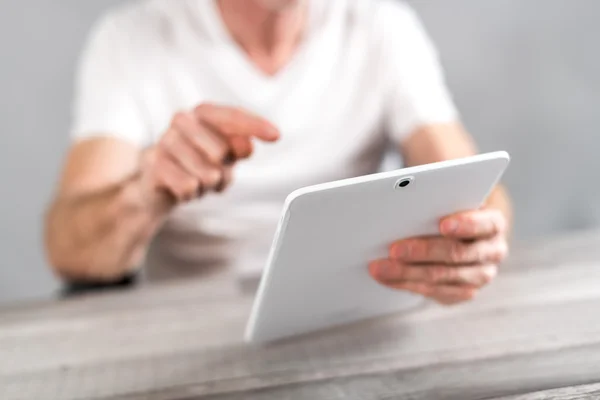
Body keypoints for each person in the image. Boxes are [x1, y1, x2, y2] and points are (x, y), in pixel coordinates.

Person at [44, 0, 512, 305]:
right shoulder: (131, 39)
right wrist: (147, 189)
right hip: (191, 324)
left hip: (348, 310)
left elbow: (476, 189)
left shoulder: (380, 26)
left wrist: (476, 237)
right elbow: (71, 250)